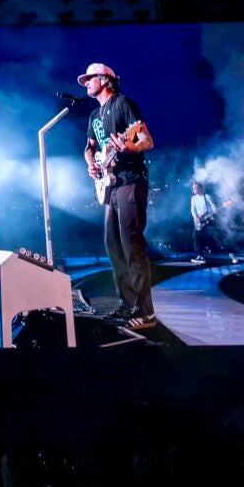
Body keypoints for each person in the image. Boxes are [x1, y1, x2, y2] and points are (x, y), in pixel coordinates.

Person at [80, 62, 157, 331]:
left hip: (131, 181)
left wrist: (130, 146)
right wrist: (92, 163)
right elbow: (89, 148)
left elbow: (147, 140)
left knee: (131, 244)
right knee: (113, 245)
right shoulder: (94, 116)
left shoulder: (123, 104)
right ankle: (127, 303)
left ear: (105, 79)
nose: (86, 82)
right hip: (111, 185)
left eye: (90, 78)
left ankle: (146, 313)